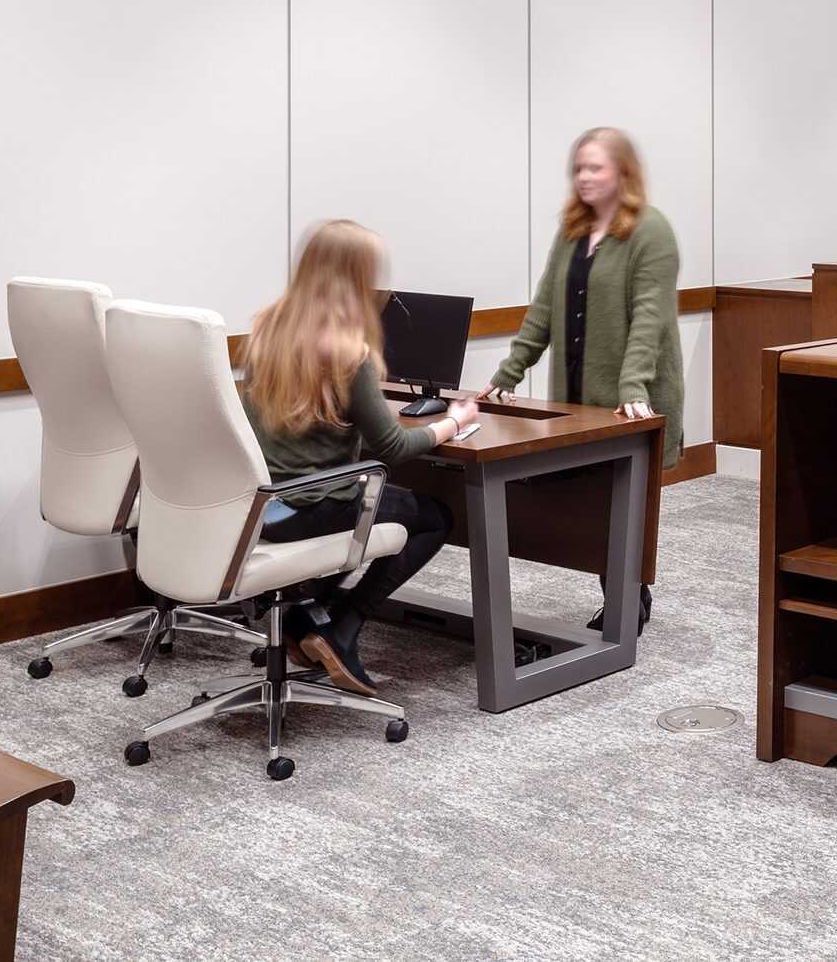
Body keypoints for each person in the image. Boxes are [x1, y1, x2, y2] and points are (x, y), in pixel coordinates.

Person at [241, 219, 473, 698]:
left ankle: (309, 616)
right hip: (313, 506)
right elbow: (392, 448)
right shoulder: (349, 352)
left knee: (380, 498)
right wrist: (453, 422)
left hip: (263, 505)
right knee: (434, 517)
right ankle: (343, 626)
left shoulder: (267, 329)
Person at [490, 126, 684, 632]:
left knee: (621, 499)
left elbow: (650, 318)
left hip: (631, 395)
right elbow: (544, 308)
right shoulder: (572, 230)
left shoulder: (651, 231)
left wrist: (633, 386)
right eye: (579, 168)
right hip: (577, 396)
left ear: (623, 172)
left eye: (595, 167)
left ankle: (627, 603)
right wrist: (509, 373)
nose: (584, 177)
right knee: (593, 502)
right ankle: (625, 594)